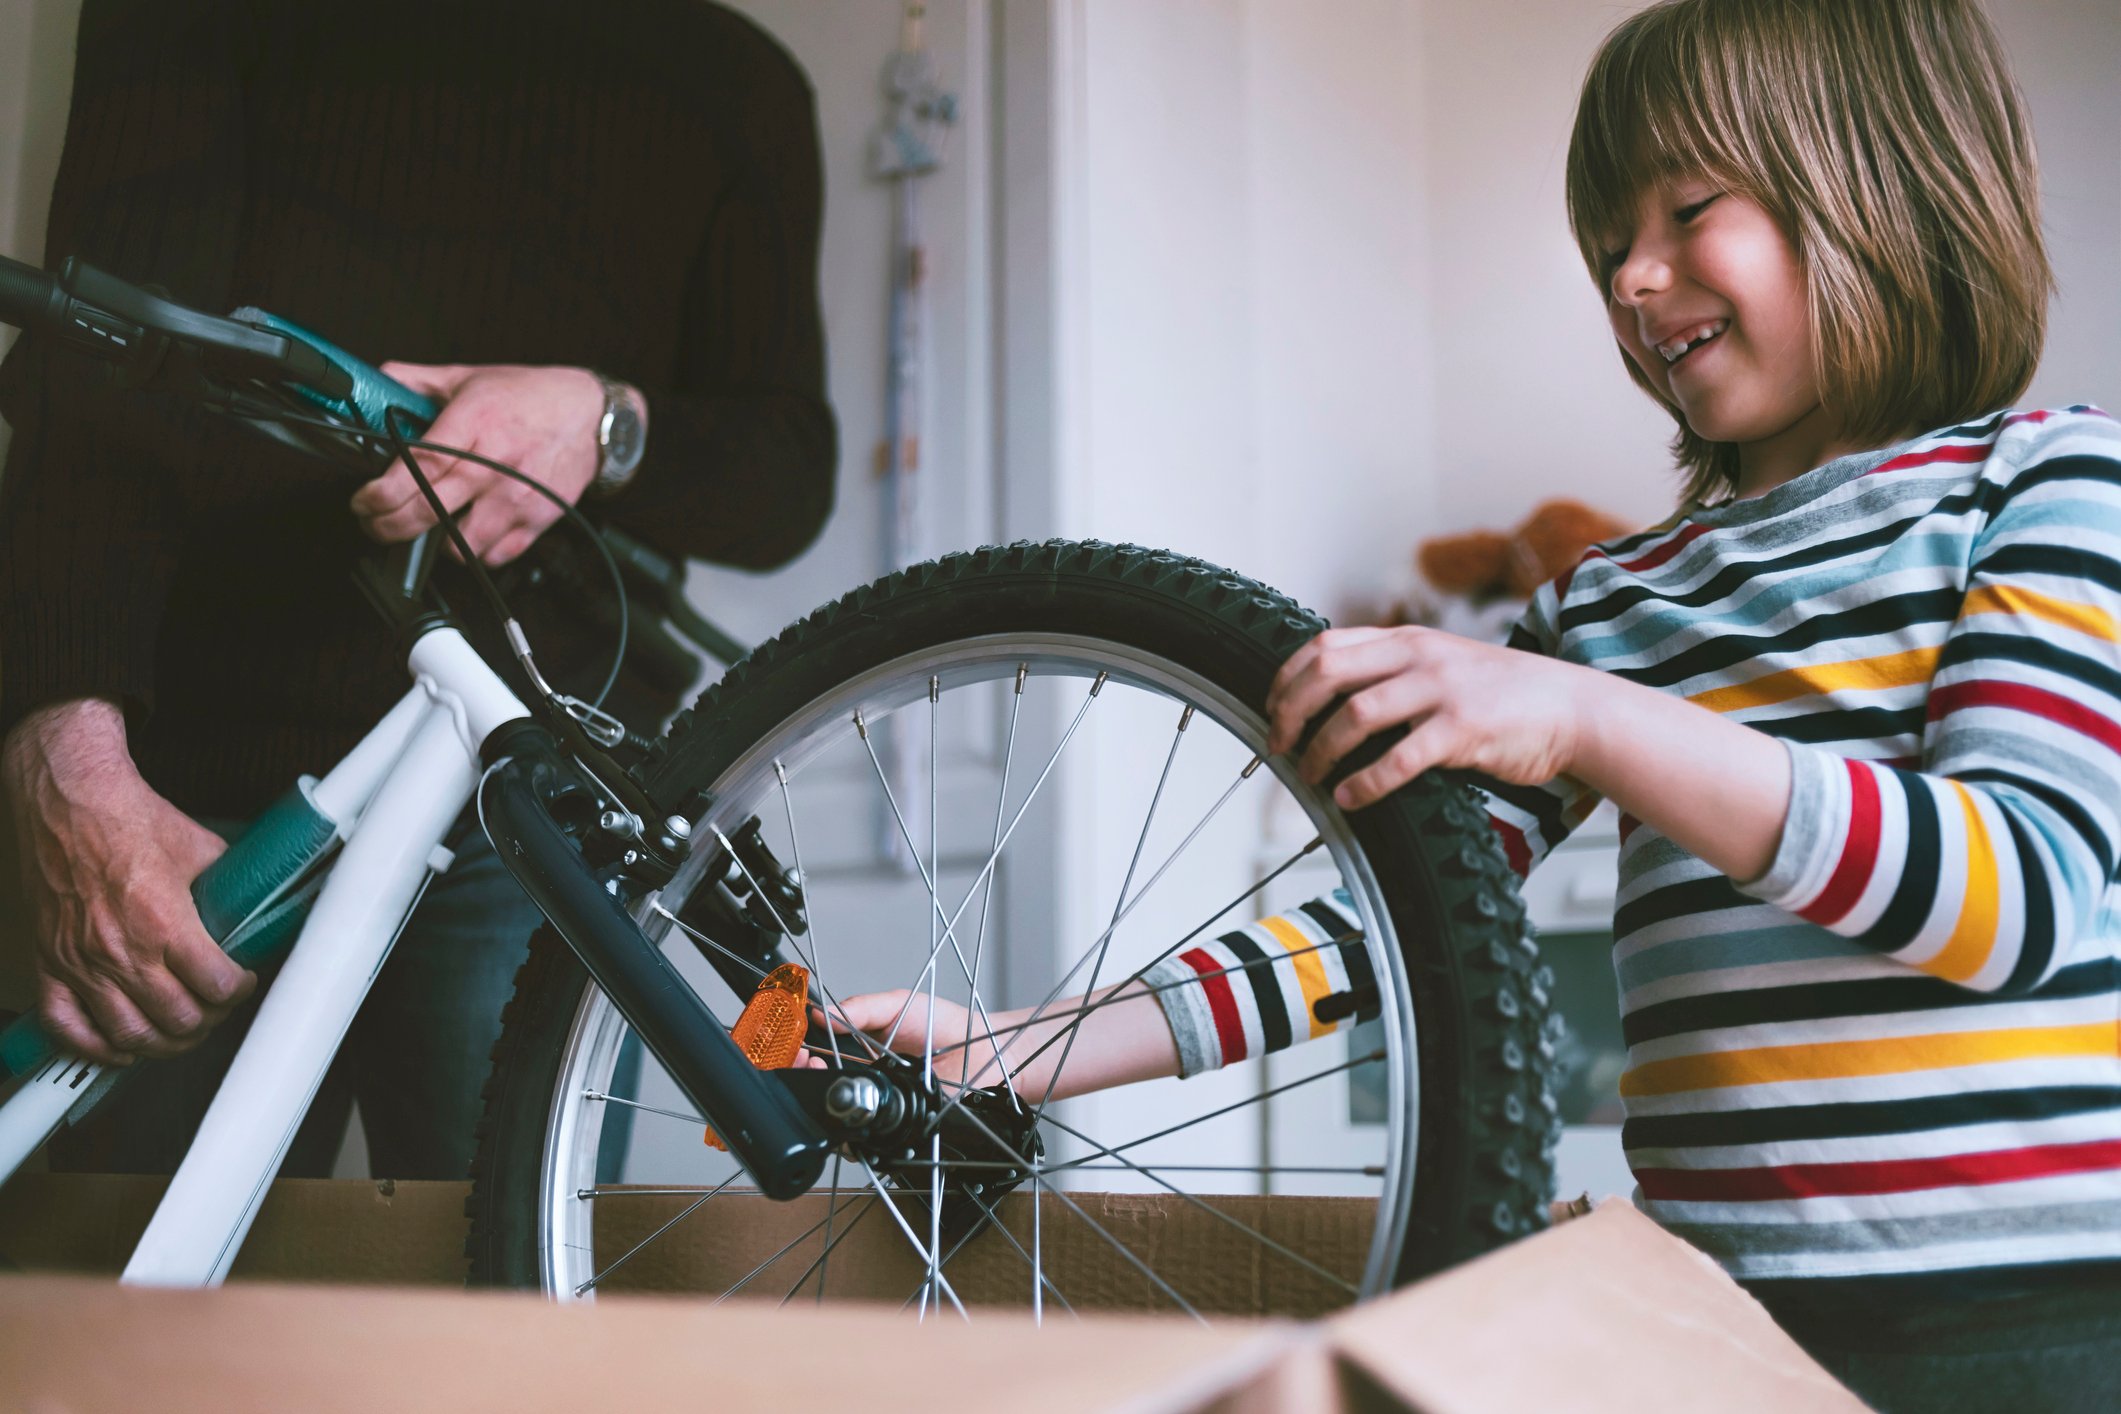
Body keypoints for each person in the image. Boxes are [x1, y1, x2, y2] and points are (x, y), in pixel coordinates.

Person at [828, 1, 2121, 1406]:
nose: (1634, 276)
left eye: (1689, 208)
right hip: (1717, 1316)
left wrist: (1590, 721)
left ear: (1884, 176)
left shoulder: (2048, 486)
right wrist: (1025, 1045)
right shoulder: (1610, 603)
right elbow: (1386, 921)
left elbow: (2015, 889)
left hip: (2042, 1307)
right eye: (1608, 242)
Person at [0, 0, 836, 1180]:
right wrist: (66, 768)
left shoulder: (741, 87)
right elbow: (94, 373)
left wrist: (602, 425)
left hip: (542, 801)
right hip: (177, 784)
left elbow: (787, 474)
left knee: (506, 1299)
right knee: (107, 1304)